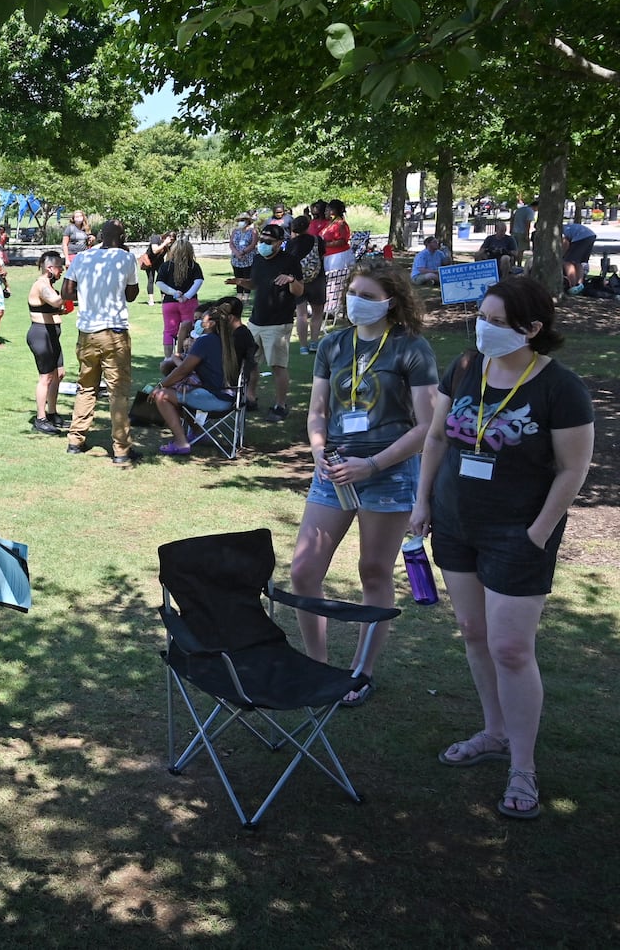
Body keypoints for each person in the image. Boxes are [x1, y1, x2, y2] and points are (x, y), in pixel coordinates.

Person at [411, 277, 594, 820]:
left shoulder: (562, 387)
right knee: (474, 634)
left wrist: (537, 532)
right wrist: (422, 502)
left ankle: (523, 764)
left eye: (495, 320)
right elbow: (439, 436)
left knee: (512, 649)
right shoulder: (467, 367)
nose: (482, 327)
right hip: (455, 524)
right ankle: (493, 732)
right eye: (482, 316)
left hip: (518, 534)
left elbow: (573, 469)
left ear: (532, 329)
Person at [290, 260, 439, 704]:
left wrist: (371, 466)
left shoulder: (411, 348)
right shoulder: (333, 345)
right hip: (333, 470)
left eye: (368, 296)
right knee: (303, 571)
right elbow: (317, 411)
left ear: (391, 302)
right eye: (352, 292)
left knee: (373, 571)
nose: (356, 301)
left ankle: (361, 672)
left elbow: (426, 426)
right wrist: (319, 453)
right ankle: (315, 667)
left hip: (387, 474)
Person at [60, 219, 140, 466]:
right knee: (118, 392)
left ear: (99, 236)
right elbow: (132, 294)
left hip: (87, 333)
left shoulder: (83, 258)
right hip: (114, 332)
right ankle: (121, 449)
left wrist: (86, 295)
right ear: (122, 236)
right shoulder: (126, 259)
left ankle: (76, 440)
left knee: (86, 386)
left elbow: (66, 292)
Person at [150, 300, 242, 455]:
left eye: (202, 320)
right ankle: (198, 433)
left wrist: (161, 385)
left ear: (211, 324)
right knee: (177, 393)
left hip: (215, 399)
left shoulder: (205, 341)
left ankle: (181, 442)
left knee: (161, 395)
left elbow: (183, 370)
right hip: (230, 397)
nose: (198, 323)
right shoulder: (227, 340)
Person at [246, 222, 304, 423]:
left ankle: (280, 405)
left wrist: (290, 280)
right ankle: (250, 398)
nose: (263, 244)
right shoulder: (258, 260)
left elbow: (299, 291)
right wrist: (241, 283)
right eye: (261, 240)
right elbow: (255, 284)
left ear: (280, 243)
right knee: (250, 362)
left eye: (268, 241)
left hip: (278, 322)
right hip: (256, 320)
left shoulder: (290, 261)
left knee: (278, 366)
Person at [26, 253, 67, 434]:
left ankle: (52, 413)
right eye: (60, 267)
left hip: (52, 334)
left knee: (59, 374)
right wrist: (70, 286)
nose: (62, 271)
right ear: (50, 268)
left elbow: (57, 307)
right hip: (40, 335)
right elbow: (56, 301)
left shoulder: (50, 285)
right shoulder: (41, 285)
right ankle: (40, 418)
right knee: (46, 377)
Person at [154, 234, 203, 358]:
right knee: (188, 329)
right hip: (189, 303)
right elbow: (198, 282)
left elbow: (159, 283)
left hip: (169, 303)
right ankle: (185, 356)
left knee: (169, 332)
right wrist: (187, 296)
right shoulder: (193, 266)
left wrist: (173, 292)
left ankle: (168, 358)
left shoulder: (166, 265)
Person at [297, 208, 329, 355]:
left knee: (301, 314)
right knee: (317, 313)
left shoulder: (291, 244)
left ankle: (303, 346)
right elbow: (323, 255)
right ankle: (314, 342)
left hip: (299, 282)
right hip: (317, 280)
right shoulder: (317, 241)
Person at [320, 199, 353, 326]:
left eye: (328, 209)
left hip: (339, 256)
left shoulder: (340, 224)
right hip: (329, 255)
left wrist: (325, 244)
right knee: (330, 281)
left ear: (334, 211)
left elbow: (342, 241)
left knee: (336, 281)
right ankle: (330, 306)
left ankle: (334, 308)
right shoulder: (330, 223)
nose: (326, 212)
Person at [561, 219, 597, 293]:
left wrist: (562, 255)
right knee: (578, 262)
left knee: (567, 262)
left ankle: (572, 286)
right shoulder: (566, 227)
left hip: (581, 237)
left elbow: (566, 243)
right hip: (590, 235)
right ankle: (580, 284)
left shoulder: (559, 230)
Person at [142, 230, 174, 306]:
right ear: (165, 237)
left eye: (173, 240)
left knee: (163, 280)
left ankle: (163, 298)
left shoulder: (169, 244)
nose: (171, 241)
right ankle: (151, 300)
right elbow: (155, 250)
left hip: (160, 262)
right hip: (149, 262)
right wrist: (165, 243)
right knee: (151, 279)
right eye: (170, 239)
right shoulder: (155, 238)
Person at [228, 213, 258, 285]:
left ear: (248, 221)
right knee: (238, 278)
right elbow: (231, 243)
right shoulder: (235, 231)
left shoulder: (253, 231)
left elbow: (253, 244)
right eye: (240, 220)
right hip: (236, 259)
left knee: (247, 278)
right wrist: (237, 253)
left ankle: (246, 295)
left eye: (243, 220)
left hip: (248, 258)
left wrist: (243, 252)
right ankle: (239, 294)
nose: (241, 222)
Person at [510, 197, 536, 263]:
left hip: (514, 231)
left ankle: (512, 264)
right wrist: (526, 234)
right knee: (520, 250)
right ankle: (519, 265)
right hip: (522, 233)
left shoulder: (520, 209)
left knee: (514, 249)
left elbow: (512, 219)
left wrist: (511, 229)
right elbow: (527, 223)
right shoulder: (530, 211)